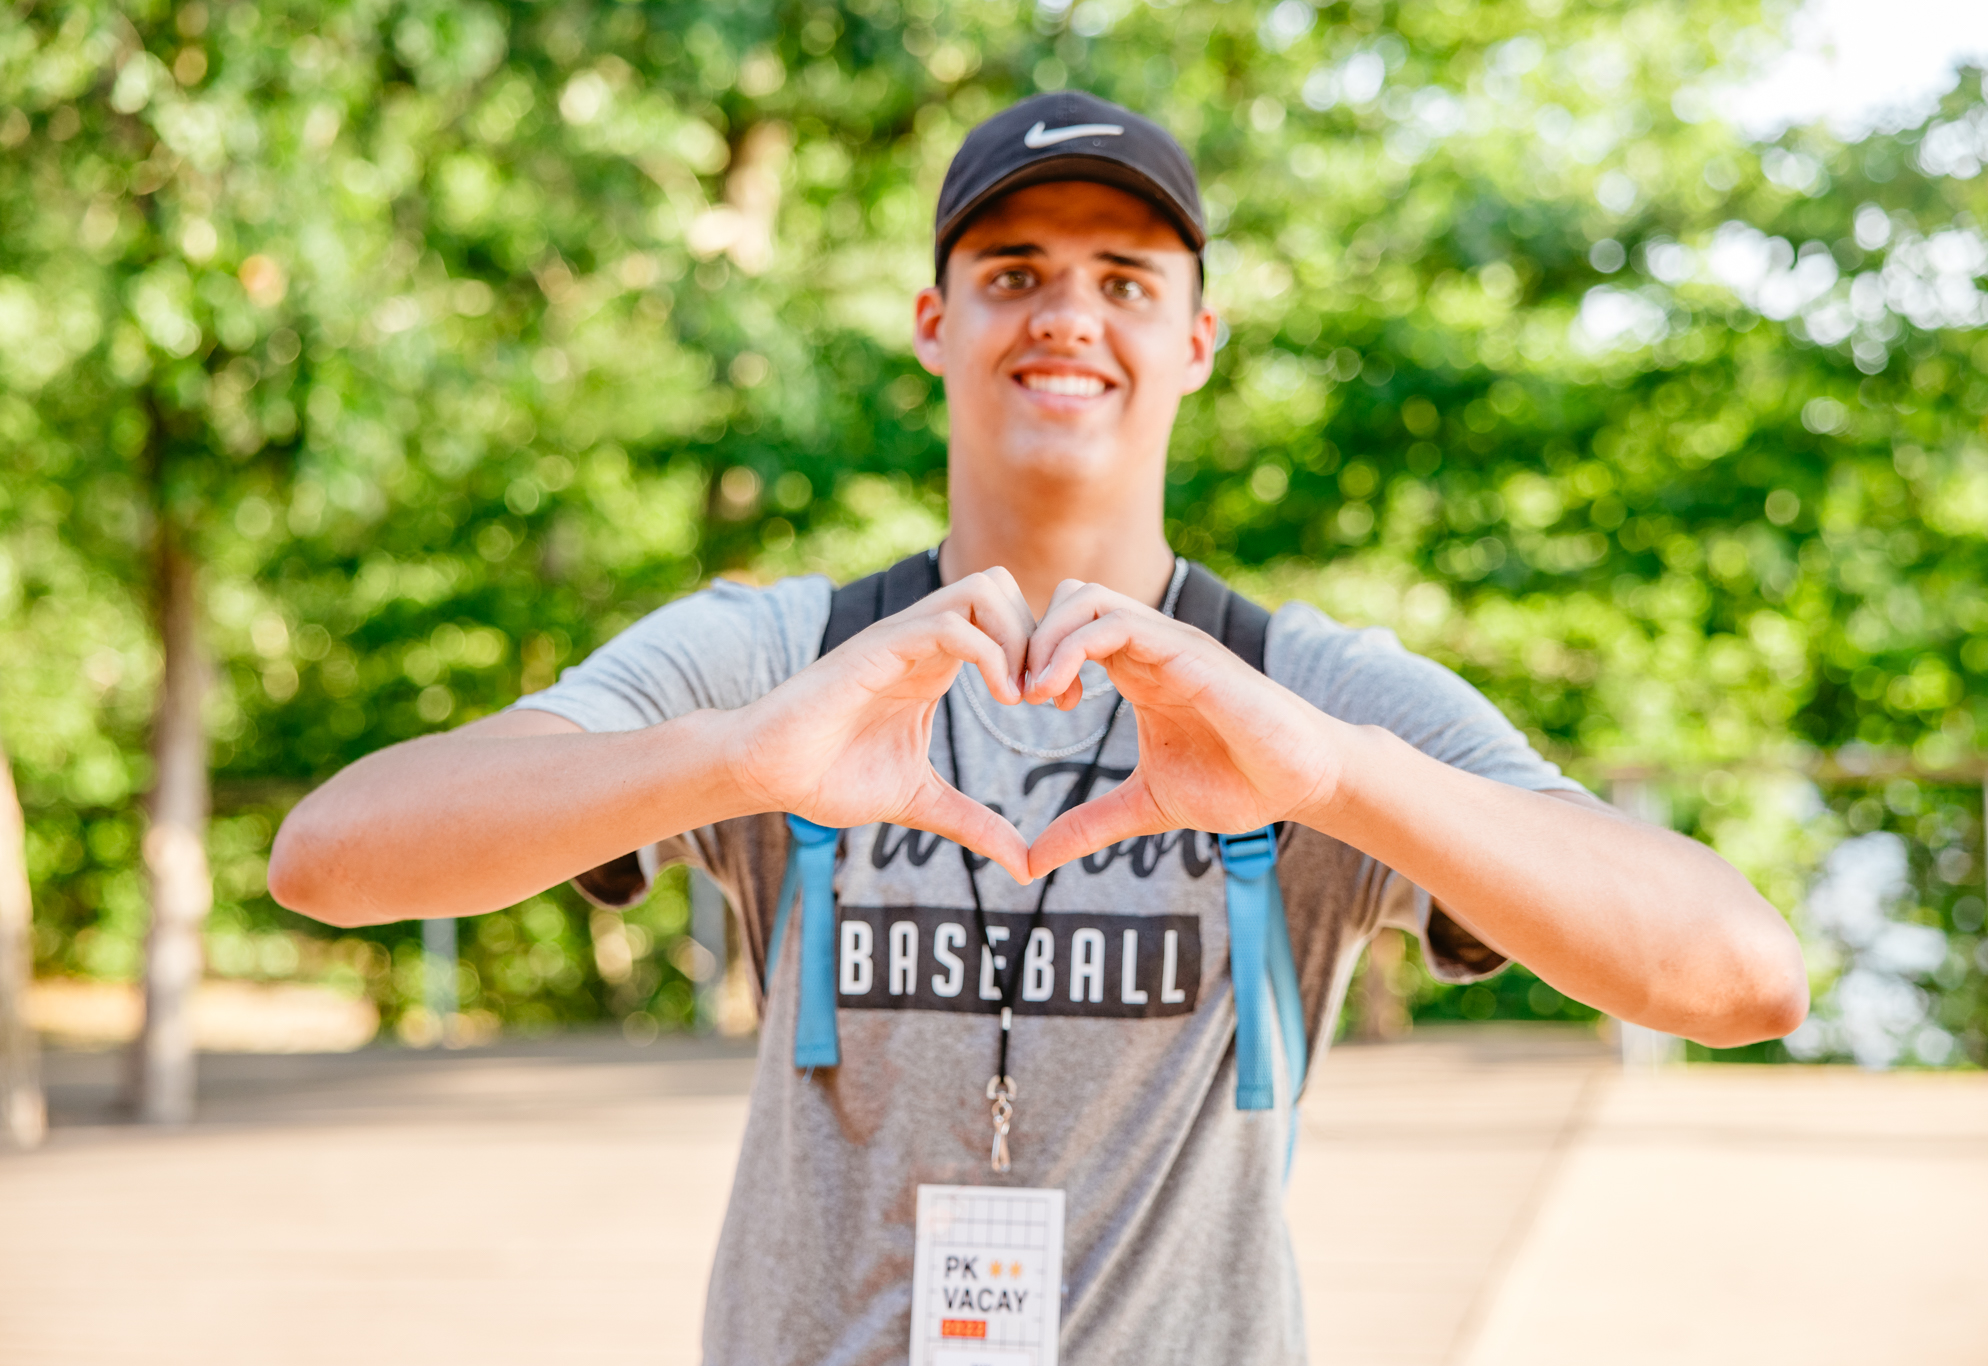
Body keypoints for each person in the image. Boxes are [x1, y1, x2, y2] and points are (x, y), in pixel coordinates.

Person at [271, 91, 1806, 1365]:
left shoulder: (1305, 693)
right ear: (935, 324)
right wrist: (743, 759)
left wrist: (1333, 776)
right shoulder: (783, 654)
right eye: (1014, 270)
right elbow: (328, 861)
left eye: (1126, 279)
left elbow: (1740, 973)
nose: (1067, 313)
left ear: (1198, 341)